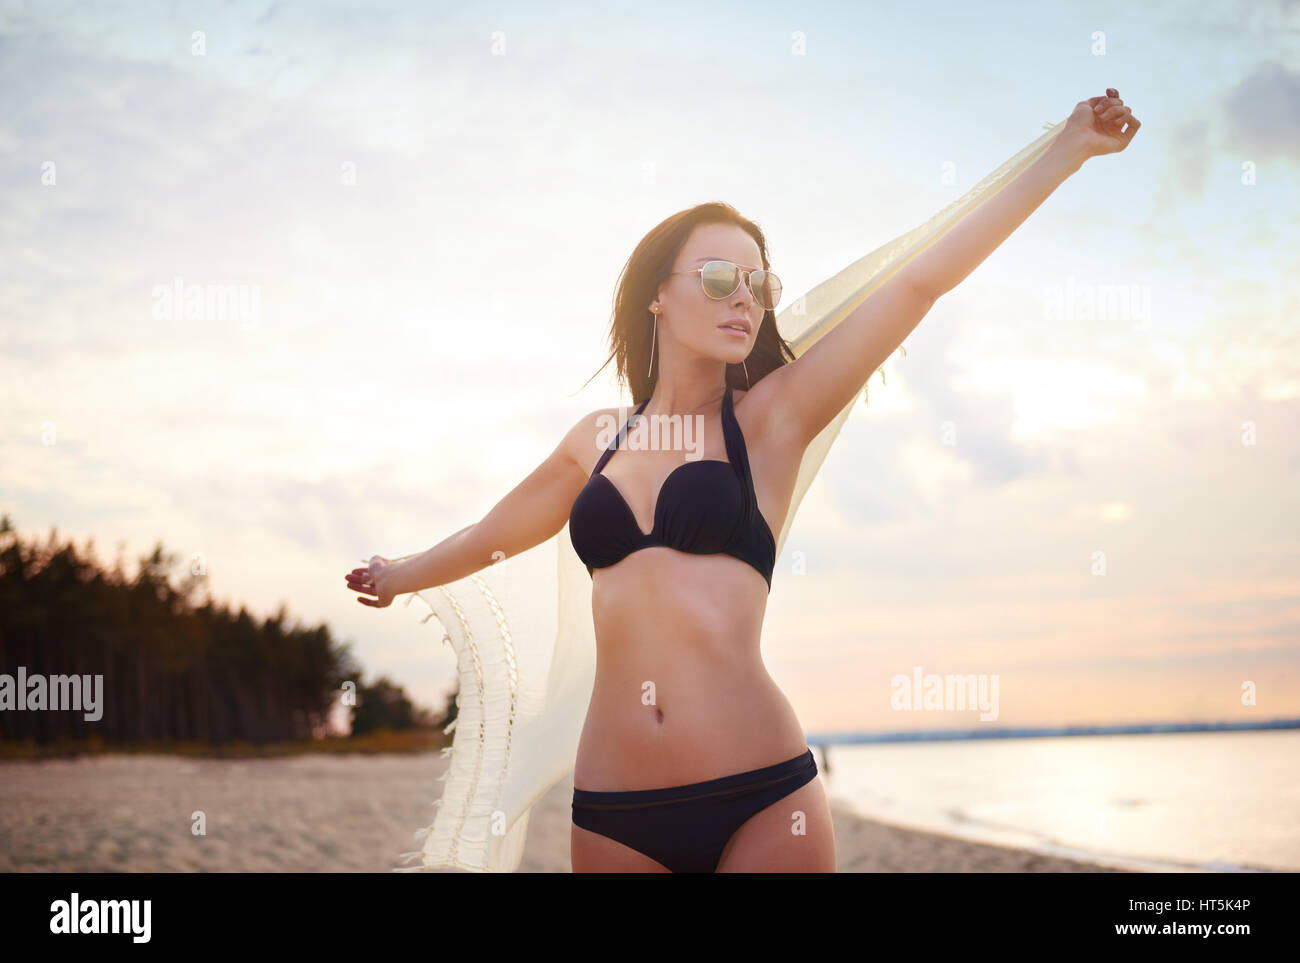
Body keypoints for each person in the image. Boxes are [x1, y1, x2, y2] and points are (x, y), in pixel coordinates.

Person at [347, 91, 1139, 873]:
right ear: (658, 292)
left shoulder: (771, 421)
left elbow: (916, 283)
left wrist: (1065, 150)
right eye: (723, 276)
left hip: (762, 798)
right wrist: (398, 574)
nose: (747, 299)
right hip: (615, 810)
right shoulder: (597, 439)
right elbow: (491, 537)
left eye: (762, 285)